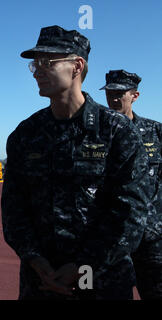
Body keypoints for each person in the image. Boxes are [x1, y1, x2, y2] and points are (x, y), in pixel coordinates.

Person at [1, 25, 151, 299]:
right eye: (35, 65)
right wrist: (35, 259)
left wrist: (83, 267)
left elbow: (131, 212)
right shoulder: (25, 134)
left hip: (102, 281)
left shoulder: (116, 131)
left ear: (77, 66)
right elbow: (14, 209)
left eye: (47, 62)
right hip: (41, 281)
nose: (38, 71)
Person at [100, 69, 162, 299]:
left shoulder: (155, 132)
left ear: (134, 96)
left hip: (151, 237)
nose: (113, 99)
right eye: (109, 93)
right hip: (110, 238)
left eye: (120, 93)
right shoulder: (95, 132)